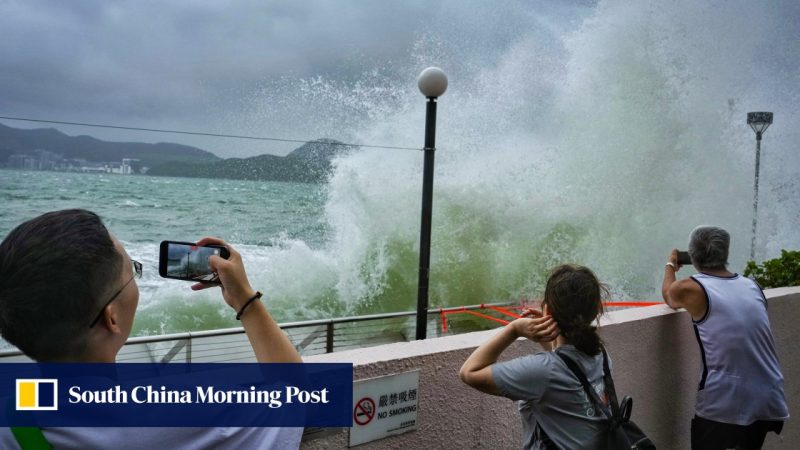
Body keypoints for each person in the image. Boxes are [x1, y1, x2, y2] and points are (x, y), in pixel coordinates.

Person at [0, 209, 303, 449]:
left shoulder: (12, 410)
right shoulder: (167, 414)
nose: (134, 275)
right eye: (132, 269)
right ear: (112, 318)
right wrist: (245, 300)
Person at [661, 225, 789, 450]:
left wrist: (671, 264)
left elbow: (669, 295)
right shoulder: (752, 286)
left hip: (725, 402)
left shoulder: (692, 288)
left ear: (693, 254)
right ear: (725, 254)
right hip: (768, 396)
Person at [460, 264, 612, 449]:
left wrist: (514, 329)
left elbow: (469, 372)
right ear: (597, 309)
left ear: (547, 311)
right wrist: (549, 335)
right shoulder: (601, 355)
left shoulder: (544, 372)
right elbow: (565, 367)